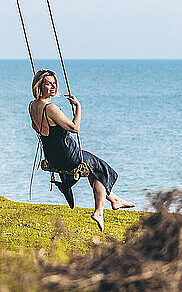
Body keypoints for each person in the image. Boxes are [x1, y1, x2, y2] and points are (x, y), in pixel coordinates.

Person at [28, 69, 134, 231]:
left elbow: (35, 127)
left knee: (94, 170)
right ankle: (99, 211)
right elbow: (74, 128)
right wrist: (78, 107)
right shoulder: (50, 108)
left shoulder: (32, 105)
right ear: (39, 86)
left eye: (54, 83)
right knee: (102, 169)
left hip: (52, 157)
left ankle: (114, 200)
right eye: (48, 84)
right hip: (68, 156)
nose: (52, 87)